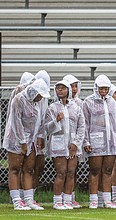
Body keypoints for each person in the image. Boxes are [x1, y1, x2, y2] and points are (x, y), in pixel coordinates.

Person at [3, 79, 50, 210]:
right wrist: (22, 142)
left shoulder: (38, 103)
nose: (40, 98)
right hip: (16, 140)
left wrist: (37, 138)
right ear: (34, 92)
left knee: (29, 169)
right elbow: (16, 121)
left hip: (31, 140)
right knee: (15, 169)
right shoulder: (18, 100)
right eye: (39, 95)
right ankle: (17, 201)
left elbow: (39, 122)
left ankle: (29, 200)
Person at [83, 74, 116, 209]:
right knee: (95, 170)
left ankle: (106, 199)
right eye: (101, 89)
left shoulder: (112, 102)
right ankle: (93, 200)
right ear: (96, 88)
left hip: (111, 141)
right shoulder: (88, 102)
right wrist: (86, 141)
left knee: (107, 170)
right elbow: (85, 124)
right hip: (95, 142)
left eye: (106, 89)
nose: (104, 91)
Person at [44, 79, 85, 210]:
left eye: (63, 88)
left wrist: (76, 144)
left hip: (73, 146)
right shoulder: (52, 108)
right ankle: (57, 200)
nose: (60, 90)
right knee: (61, 172)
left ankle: (68, 200)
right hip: (58, 145)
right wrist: (56, 120)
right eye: (58, 88)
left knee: (71, 172)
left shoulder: (76, 107)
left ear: (68, 90)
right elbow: (47, 129)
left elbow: (81, 127)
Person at [63, 74, 83, 208]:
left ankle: (70, 196)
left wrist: (78, 142)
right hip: (63, 142)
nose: (74, 89)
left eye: (76, 86)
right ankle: (61, 197)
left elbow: (82, 125)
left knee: (73, 170)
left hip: (76, 142)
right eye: (72, 86)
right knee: (63, 170)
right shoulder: (57, 104)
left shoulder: (80, 103)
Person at [32, 70, 51, 198]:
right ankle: (21, 194)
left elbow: (43, 119)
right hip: (28, 137)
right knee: (26, 167)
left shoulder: (44, 100)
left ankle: (30, 193)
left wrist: (41, 136)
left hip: (40, 136)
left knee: (39, 166)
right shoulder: (26, 99)